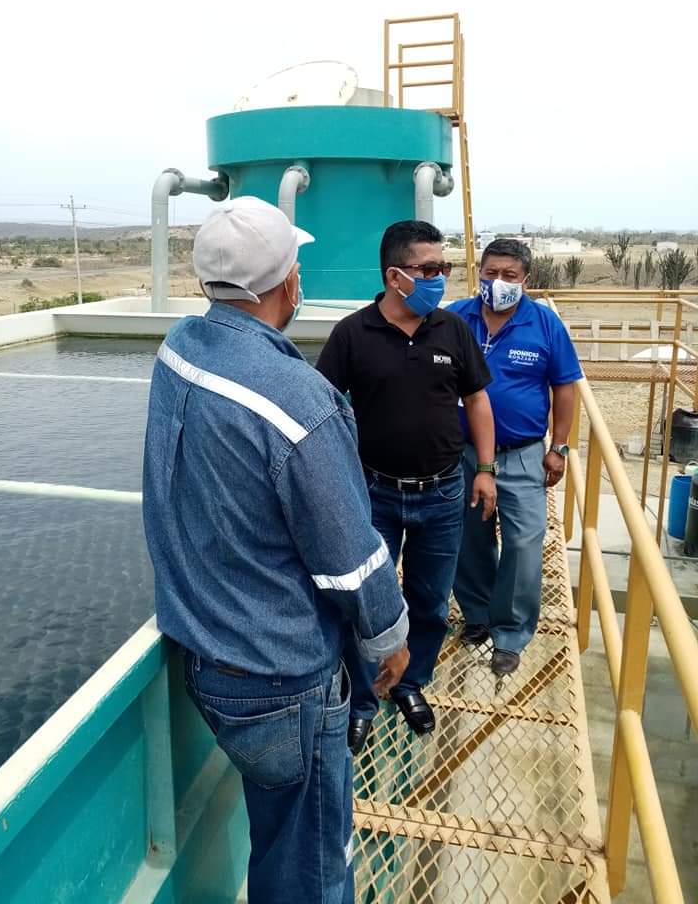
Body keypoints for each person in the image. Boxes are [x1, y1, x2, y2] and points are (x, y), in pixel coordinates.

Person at [142, 197, 409, 904]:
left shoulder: (180, 347)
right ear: (287, 283)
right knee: (312, 869)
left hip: (208, 657)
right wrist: (389, 641)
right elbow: (349, 560)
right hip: (282, 682)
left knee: (282, 844)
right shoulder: (300, 401)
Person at [316, 220, 496, 756]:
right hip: (374, 494)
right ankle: (363, 702)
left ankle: (411, 683)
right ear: (395, 276)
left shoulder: (452, 330)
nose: (441, 278)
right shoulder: (352, 334)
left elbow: (477, 400)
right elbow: (323, 408)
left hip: (443, 493)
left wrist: (485, 468)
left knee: (430, 600)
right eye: (430, 269)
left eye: (445, 267)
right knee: (367, 603)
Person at [447, 238, 582, 676]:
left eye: (509, 275)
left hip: (523, 455)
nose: (498, 282)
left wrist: (559, 446)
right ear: (479, 273)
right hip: (464, 453)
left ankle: (510, 632)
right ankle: (478, 614)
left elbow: (565, 387)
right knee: (470, 537)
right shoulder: (455, 318)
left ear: (525, 279)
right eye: (491, 273)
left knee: (523, 544)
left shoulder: (544, 323)